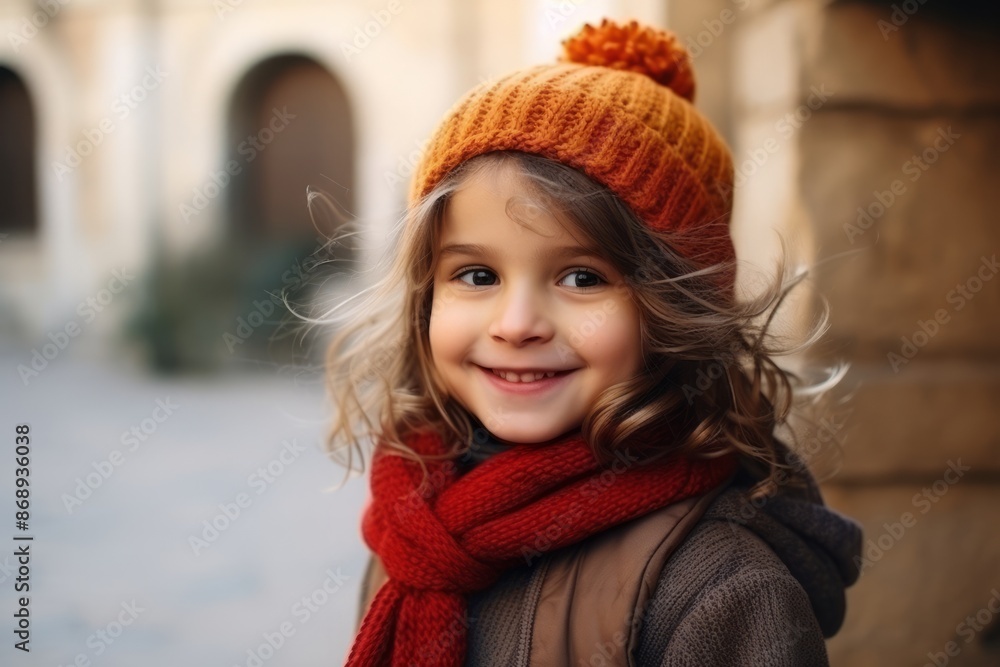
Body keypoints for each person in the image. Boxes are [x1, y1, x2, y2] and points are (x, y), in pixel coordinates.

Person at [323, 17, 863, 667]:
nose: (517, 322)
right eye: (477, 275)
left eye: (582, 277)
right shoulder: (411, 528)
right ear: (425, 297)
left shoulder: (721, 588)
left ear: (676, 308)